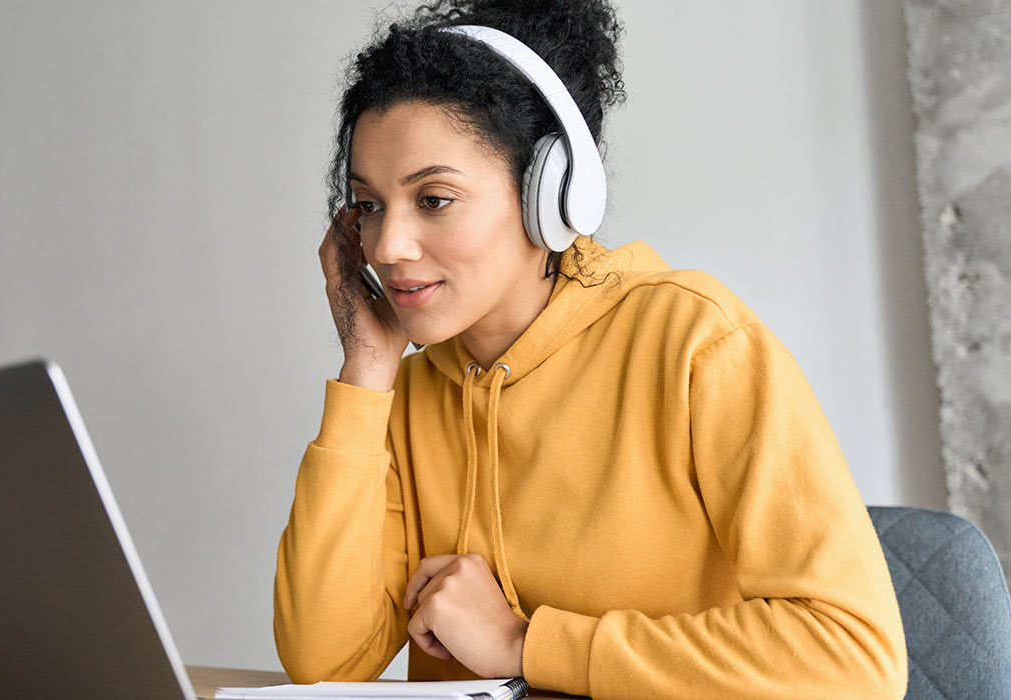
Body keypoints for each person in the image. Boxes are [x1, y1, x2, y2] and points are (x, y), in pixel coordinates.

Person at [274, 1, 908, 698]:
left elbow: (855, 660)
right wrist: (365, 373)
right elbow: (323, 663)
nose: (388, 247)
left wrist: (524, 643)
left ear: (552, 194)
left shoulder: (695, 345)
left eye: (434, 199)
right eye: (368, 206)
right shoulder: (406, 396)